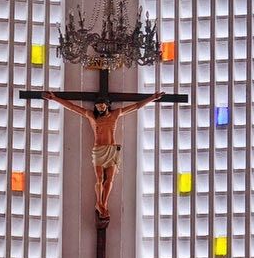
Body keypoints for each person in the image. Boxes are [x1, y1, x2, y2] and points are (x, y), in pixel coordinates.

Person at [42, 90, 165, 221]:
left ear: (107, 105)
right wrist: (54, 99)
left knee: (110, 179)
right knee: (99, 178)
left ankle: (104, 203)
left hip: (112, 150)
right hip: (98, 150)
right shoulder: (91, 116)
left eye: (102, 105)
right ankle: (98, 202)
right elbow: (72, 107)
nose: (100, 107)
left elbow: (136, 106)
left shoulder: (115, 114)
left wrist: (152, 98)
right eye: (97, 105)